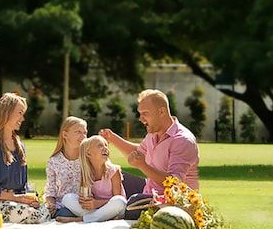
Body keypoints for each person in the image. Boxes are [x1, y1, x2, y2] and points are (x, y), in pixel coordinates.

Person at [99, 89, 200, 219]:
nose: (141, 119)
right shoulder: (153, 134)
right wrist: (112, 138)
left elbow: (175, 184)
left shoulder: (182, 140)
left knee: (132, 203)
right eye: (140, 114)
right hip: (150, 191)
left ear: (162, 112)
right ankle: (100, 211)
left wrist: (143, 166)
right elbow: (138, 154)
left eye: (145, 113)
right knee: (115, 176)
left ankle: (106, 214)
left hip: (171, 204)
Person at [0, 93, 50, 224]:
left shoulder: (20, 146)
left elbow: (23, 185)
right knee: (36, 216)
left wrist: (30, 199)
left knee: (45, 211)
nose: (22, 118)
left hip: (15, 202)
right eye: (19, 113)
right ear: (6, 113)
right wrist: (16, 198)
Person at [59, 135, 127, 222]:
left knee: (119, 201)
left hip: (114, 208)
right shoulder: (85, 173)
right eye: (100, 145)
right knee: (67, 198)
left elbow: (117, 197)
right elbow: (86, 197)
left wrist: (97, 203)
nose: (105, 148)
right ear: (88, 153)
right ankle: (99, 217)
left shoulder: (114, 171)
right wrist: (84, 201)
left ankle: (81, 219)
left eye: (106, 145)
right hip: (96, 209)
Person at [44, 116, 86, 219]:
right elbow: (50, 191)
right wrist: (51, 204)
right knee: (63, 213)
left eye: (84, 132)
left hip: (84, 206)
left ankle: (80, 218)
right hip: (63, 207)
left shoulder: (88, 158)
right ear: (65, 134)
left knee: (66, 213)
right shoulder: (54, 161)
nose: (83, 136)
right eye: (78, 132)